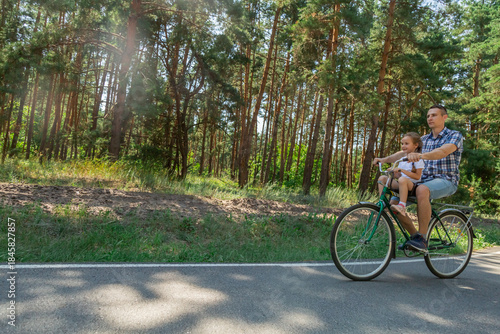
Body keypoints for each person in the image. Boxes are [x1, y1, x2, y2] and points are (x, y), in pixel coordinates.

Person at [373, 105, 464, 252]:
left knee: (422, 189)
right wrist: (384, 159)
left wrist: (421, 155)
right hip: (422, 179)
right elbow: (402, 154)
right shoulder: (423, 139)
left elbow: (442, 151)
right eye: (428, 116)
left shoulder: (454, 135)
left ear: (444, 117)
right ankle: (415, 237)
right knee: (393, 204)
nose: (430, 118)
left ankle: (423, 238)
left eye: (434, 115)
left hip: (446, 180)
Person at [375, 132, 424, 217]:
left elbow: (417, 176)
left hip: (412, 186)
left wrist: (402, 171)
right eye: (402, 144)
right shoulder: (402, 159)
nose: (403, 146)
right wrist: (393, 172)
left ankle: (402, 206)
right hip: (402, 184)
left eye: (406, 144)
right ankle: (381, 201)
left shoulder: (418, 159)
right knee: (382, 178)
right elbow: (399, 176)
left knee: (402, 180)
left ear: (415, 145)